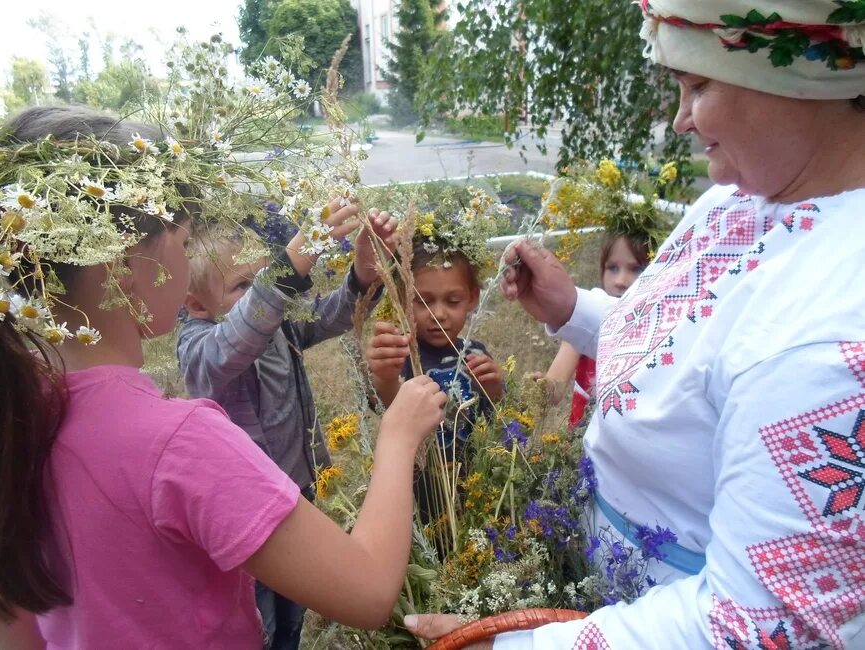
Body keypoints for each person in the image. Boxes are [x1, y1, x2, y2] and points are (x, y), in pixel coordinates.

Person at [405, 0, 865, 647]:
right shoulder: (742, 198)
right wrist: (579, 314)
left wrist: (510, 643)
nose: (680, 119)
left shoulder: (832, 335)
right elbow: (705, 356)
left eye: (697, 84)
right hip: (608, 582)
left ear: (798, 76)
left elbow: (760, 626)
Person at [0, 105, 447, 649]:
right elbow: (371, 591)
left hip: (282, 504)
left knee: (289, 621)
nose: (187, 260)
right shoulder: (185, 427)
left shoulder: (19, 422)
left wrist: (356, 278)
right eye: (184, 244)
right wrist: (397, 437)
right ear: (123, 267)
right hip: (252, 525)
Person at [178, 204, 395, 650]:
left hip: (295, 494)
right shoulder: (200, 346)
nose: (263, 291)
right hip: (248, 516)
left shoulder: (280, 326)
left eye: (263, 276)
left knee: (293, 611)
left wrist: (362, 275)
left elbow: (331, 315)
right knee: (259, 622)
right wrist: (281, 276)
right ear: (198, 304)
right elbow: (229, 348)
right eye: (244, 285)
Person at [366, 232, 505, 528]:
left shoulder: (476, 352)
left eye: (452, 301)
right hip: (421, 485)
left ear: (472, 299)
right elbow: (389, 408)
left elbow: (493, 414)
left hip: (475, 479)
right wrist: (386, 379)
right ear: (402, 299)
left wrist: (494, 389)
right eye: (423, 302)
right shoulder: (401, 356)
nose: (438, 314)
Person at [540, 233, 649, 428]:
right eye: (612, 268)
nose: (620, 281)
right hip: (583, 444)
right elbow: (554, 389)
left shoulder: (662, 326)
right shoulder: (584, 322)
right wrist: (539, 389)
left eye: (636, 269)